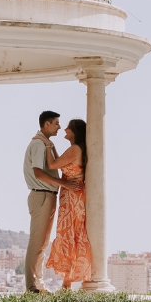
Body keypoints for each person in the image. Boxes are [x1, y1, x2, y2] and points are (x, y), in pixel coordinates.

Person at [46, 118, 92, 288]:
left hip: (71, 196)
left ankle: (67, 283)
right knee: (73, 235)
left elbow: (52, 164)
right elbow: (61, 163)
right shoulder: (77, 149)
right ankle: (67, 282)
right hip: (74, 195)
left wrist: (45, 144)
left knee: (69, 234)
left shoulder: (74, 149)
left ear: (74, 131)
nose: (65, 129)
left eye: (68, 128)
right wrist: (52, 147)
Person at [23, 111, 65, 293]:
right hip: (42, 195)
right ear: (46, 124)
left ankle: (37, 284)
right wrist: (63, 183)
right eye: (56, 123)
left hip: (46, 195)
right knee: (37, 242)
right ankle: (32, 286)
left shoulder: (45, 143)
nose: (59, 127)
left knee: (42, 244)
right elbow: (38, 173)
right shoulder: (40, 144)